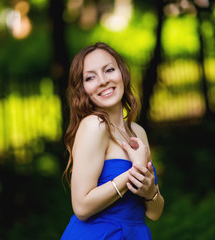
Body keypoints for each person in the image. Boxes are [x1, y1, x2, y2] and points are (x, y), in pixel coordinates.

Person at [60, 42, 164, 239]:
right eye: (90, 77)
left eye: (109, 70)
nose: (102, 81)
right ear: (83, 89)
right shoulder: (94, 126)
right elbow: (81, 207)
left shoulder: (138, 132)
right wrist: (134, 172)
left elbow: (154, 213)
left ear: (122, 74)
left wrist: (150, 190)